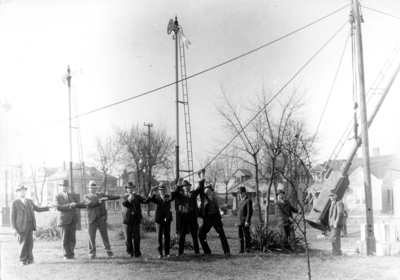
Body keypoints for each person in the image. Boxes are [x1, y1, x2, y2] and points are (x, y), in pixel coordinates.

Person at [10, 185, 55, 266]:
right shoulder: (15, 202)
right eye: (20, 191)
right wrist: (13, 228)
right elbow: (12, 216)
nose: (22, 192)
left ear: (26, 192)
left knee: (30, 243)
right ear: (17, 192)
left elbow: (37, 208)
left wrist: (48, 207)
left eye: (24, 190)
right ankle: (22, 261)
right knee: (23, 243)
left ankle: (30, 260)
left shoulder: (29, 201)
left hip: (30, 226)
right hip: (21, 227)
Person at [83, 180, 122, 259]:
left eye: (94, 188)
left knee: (105, 236)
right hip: (92, 220)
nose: (93, 189)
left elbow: (110, 197)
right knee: (91, 237)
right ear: (89, 188)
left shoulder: (101, 194)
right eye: (91, 188)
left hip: (101, 219)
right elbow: (90, 204)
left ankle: (109, 252)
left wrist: (119, 196)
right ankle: (92, 253)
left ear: (96, 188)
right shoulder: (86, 196)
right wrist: (100, 201)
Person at [171, 172, 204, 257]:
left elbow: (200, 188)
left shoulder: (193, 193)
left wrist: (200, 177)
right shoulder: (181, 196)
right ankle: (180, 252)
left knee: (194, 234)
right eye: (184, 186)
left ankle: (197, 252)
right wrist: (178, 184)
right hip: (183, 217)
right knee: (182, 235)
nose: (186, 187)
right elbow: (174, 194)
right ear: (183, 188)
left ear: (190, 186)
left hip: (192, 217)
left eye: (187, 186)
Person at [55, 180, 87, 260]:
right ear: (60, 187)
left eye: (66, 186)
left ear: (68, 187)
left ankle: (71, 254)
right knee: (65, 239)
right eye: (63, 186)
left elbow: (77, 204)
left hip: (72, 219)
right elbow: (58, 207)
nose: (65, 187)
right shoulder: (57, 196)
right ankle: (66, 255)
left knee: (72, 238)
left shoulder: (72, 195)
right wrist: (69, 205)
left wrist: (86, 204)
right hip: (63, 220)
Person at [198, 181, 230, 256]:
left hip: (216, 219)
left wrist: (220, 219)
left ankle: (227, 251)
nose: (208, 192)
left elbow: (218, 210)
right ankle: (207, 251)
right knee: (201, 234)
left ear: (211, 192)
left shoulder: (215, 200)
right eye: (207, 191)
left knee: (221, 234)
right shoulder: (203, 199)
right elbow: (201, 208)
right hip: (207, 219)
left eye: (210, 191)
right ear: (205, 192)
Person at [121, 182, 150, 258]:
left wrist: (150, 196)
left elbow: (145, 201)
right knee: (128, 237)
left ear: (133, 188)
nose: (130, 189)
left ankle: (137, 253)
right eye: (128, 188)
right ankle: (129, 253)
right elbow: (124, 204)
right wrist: (129, 200)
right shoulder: (124, 196)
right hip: (127, 220)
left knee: (137, 237)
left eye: (131, 187)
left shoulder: (137, 196)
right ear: (126, 189)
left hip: (136, 219)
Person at [148, 184, 174, 258]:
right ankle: (160, 253)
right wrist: (151, 191)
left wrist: (172, 190)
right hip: (159, 220)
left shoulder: (168, 197)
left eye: (163, 190)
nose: (162, 191)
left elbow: (172, 198)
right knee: (159, 236)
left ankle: (167, 253)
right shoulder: (157, 198)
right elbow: (151, 198)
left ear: (165, 190)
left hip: (167, 219)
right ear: (159, 191)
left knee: (167, 236)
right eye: (160, 190)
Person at [235, 186, 253, 253]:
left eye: (241, 193)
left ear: (244, 193)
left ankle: (248, 249)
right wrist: (236, 222)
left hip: (245, 222)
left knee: (247, 236)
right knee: (240, 236)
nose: (239, 195)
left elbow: (249, 212)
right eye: (239, 193)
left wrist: (247, 221)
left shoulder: (248, 200)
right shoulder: (240, 201)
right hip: (239, 222)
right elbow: (238, 213)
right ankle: (241, 249)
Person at [328, 190, 345, 255]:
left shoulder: (339, 203)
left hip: (337, 224)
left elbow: (340, 213)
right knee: (335, 238)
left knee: (335, 239)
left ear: (336, 195)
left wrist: (336, 223)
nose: (331, 197)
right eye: (330, 196)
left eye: (332, 195)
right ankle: (337, 252)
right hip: (333, 224)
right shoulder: (333, 203)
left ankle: (336, 253)